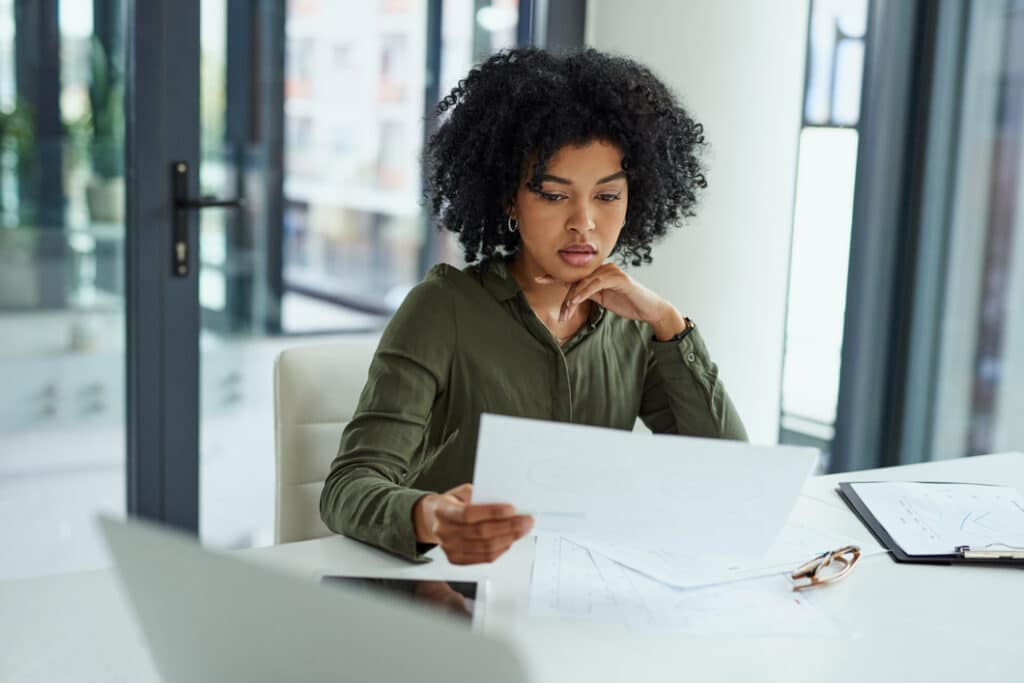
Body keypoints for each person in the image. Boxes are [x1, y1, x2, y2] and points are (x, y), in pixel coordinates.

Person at [320, 48, 747, 566]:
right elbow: (347, 488)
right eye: (552, 194)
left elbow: (728, 474)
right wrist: (431, 517)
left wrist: (668, 323)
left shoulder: (637, 325)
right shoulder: (443, 310)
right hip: (457, 591)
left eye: (608, 196)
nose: (584, 223)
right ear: (508, 198)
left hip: (586, 590)